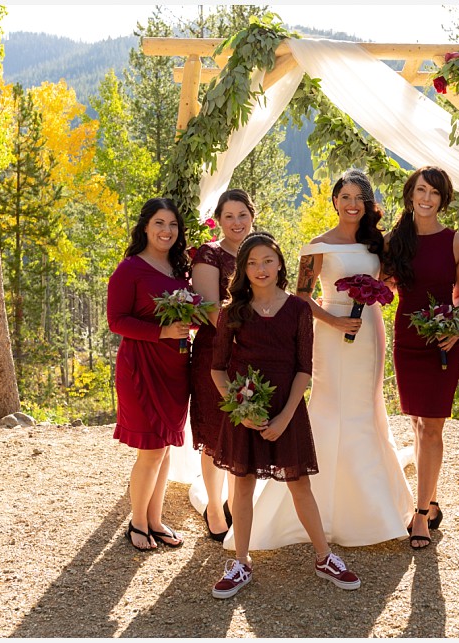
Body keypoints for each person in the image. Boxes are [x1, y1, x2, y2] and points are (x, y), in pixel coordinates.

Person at [232, 169, 414, 551]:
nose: (351, 204)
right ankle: (314, 504)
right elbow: (300, 296)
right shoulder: (317, 247)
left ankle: (372, 508)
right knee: (329, 405)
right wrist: (333, 320)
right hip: (330, 334)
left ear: (367, 204)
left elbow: (391, 283)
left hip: (369, 334)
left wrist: (380, 294)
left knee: (366, 405)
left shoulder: (377, 245)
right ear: (334, 201)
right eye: (344, 197)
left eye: (358, 198)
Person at [209, 231, 361, 599]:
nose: (261, 269)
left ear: (280, 264)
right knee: (241, 485)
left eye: (268, 261)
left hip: (287, 410)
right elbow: (218, 370)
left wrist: (285, 417)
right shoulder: (233, 312)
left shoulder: (297, 309)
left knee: (299, 484)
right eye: (252, 263)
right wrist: (241, 411)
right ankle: (242, 561)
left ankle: (324, 557)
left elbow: (303, 370)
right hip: (244, 412)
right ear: (243, 270)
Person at [383, 166, 459, 550]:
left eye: (434, 192)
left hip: (443, 343)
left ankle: (419, 515)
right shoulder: (394, 241)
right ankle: (430, 500)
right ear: (410, 193)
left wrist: (457, 327)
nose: (427, 198)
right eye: (421, 189)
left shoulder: (457, 242)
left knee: (433, 426)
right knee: (417, 424)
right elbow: (379, 283)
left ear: (443, 199)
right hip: (406, 339)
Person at [107, 197, 192, 551]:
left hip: (176, 367)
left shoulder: (180, 269)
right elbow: (117, 321)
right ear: (145, 227)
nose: (166, 231)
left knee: (166, 446)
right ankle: (137, 523)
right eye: (159, 223)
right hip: (141, 367)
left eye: (172, 225)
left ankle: (155, 520)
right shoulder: (129, 270)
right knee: (151, 449)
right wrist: (162, 332)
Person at [189, 189, 255, 541]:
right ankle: (214, 507)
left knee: (241, 432)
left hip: (251, 356)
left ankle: (234, 501)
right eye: (228, 216)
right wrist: (249, 336)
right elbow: (210, 311)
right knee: (216, 434)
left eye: (242, 215)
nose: (236, 223)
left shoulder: (260, 251)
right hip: (215, 353)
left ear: (252, 216)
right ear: (218, 220)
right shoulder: (209, 255)